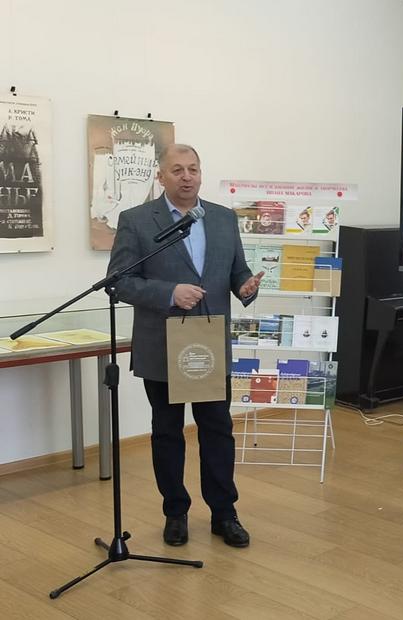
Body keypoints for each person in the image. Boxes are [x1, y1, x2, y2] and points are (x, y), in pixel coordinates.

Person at [107, 144, 264, 548]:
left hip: (208, 342)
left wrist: (245, 286)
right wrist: (169, 293)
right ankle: (175, 512)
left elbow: (237, 271)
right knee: (167, 431)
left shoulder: (223, 218)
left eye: (193, 169)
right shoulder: (137, 220)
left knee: (218, 430)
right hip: (163, 342)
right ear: (160, 176)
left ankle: (224, 514)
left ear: (201, 173)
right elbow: (120, 282)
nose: (187, 176)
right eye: (177, 170)